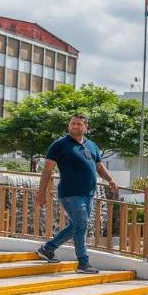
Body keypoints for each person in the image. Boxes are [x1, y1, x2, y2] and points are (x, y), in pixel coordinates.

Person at [35, 114, 119, 274]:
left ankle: (48, 248)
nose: (75, 126)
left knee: (77, 225)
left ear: (86, 127)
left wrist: (110, 180)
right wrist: (41, 193)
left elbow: (99, 167)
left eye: (79, 124)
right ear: (69, 126)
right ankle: (83, 263)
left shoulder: (91, 145)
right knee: (81, 224)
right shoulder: (59, 145)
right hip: (70, 193)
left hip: (88, 194)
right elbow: (47, 170)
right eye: (72, 123)